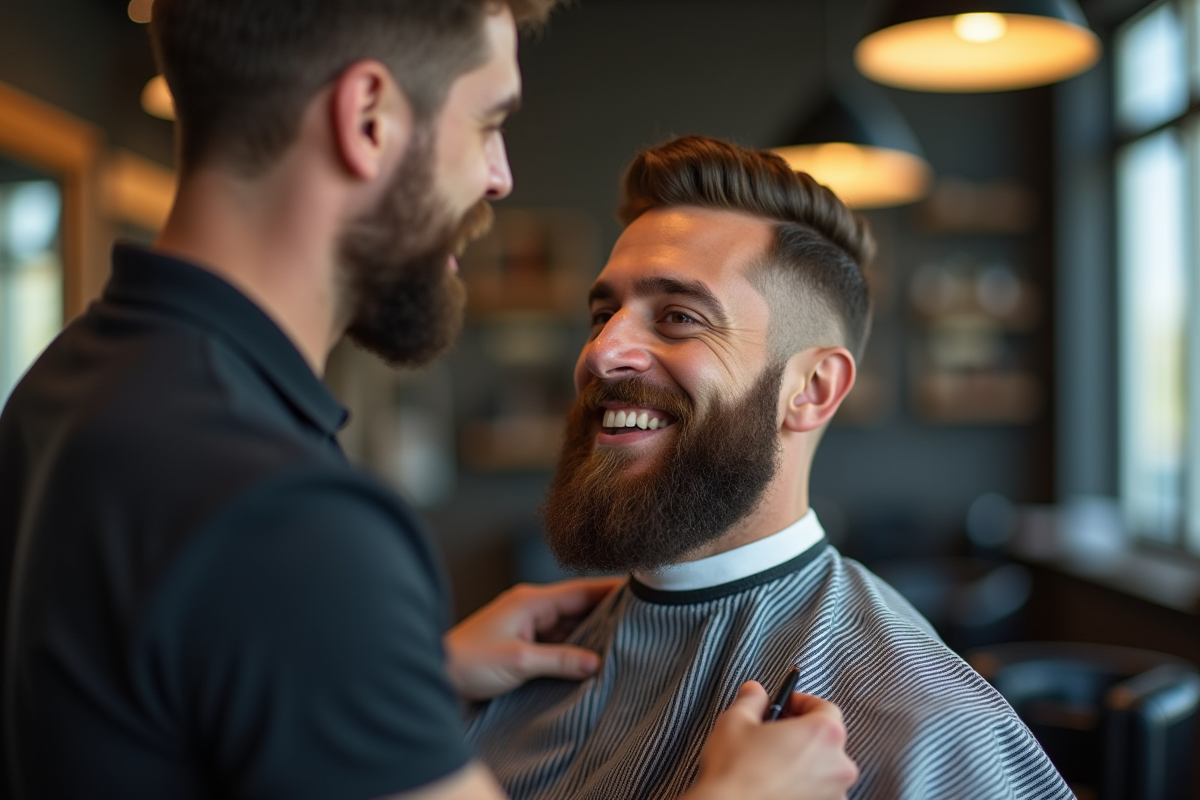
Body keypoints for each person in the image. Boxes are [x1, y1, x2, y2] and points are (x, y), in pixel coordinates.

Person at [0, 3, 859, 799]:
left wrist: (379, 674)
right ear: (368, 117)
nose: (499, 176)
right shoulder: (283, 517)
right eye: (488, 122)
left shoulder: (68, 386)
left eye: (677, 317)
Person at [464, 135, 1074, 800]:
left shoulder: (926, 729)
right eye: (603, 314)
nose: (601, 352)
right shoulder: (502, 669)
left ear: (811, 389)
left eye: (677, 317)